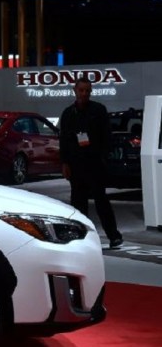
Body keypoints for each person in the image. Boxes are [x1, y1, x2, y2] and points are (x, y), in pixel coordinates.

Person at [59, 77, 122, 248]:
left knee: (101, 201)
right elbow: (63, 139)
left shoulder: (99, 110)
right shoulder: (67, 113)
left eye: (87, 90)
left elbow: (107, 137)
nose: (84, 94)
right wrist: (64, 163)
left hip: (95, 164)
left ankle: (114, 236)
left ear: (91, 91)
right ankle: (81, 237)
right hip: (76, 165)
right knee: (78, 203)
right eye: (82, 90)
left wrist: (103, 158)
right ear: (75, 90)